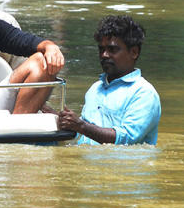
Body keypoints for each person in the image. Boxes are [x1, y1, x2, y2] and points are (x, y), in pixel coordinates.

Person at [54, 15, 160, 145]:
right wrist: (59, 119)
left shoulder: (144, 93)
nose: (104, 55)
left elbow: (126, 138)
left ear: (134, 52)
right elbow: (83, 134)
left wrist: (80, 126)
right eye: (101, 49)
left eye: (112, 49)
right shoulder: (95, 89)